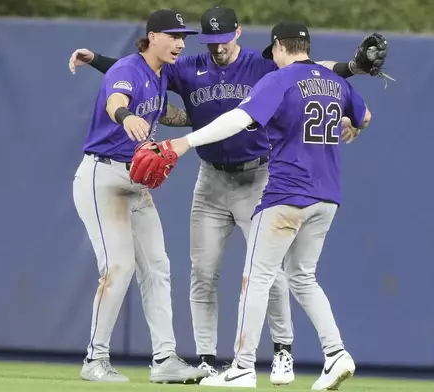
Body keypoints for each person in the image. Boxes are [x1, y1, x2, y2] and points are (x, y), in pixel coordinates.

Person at [68, 6, 386, 385]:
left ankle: (258, 359)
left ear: (242, 35)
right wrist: (99, 65)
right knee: (254, 274)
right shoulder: (179, 68)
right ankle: (316, 354)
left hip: (262, 180)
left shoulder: (265, 67)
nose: (211, 46)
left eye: (220, 38)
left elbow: (295, 77)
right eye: (201, 39)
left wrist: (182, 142)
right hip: (210, 180)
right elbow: (129, 76)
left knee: (258, 276)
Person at [147, 20, 373, 389]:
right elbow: (363, 117)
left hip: (286, 194)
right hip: (327, 197)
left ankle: (242, 366)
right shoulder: (335, 83)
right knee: (302, 277)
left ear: (280, 47)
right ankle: (336, 354)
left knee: (256, 279)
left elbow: (238, 119)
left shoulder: (279, 79)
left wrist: (184, 143)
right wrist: (350, 124)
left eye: (275, 53)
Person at [72, 9, 208, 384]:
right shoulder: (128, 70)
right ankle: (94, 360)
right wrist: (125, 116)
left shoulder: (159, 76)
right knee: (119, 267)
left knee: (157, 268)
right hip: (102, 176)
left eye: (183, 37)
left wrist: (212, 115)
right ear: (151, 36)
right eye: (173, 35)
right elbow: (115, 100)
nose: (180, 43)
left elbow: (174, 116)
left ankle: (165, 359)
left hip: (134, 181)